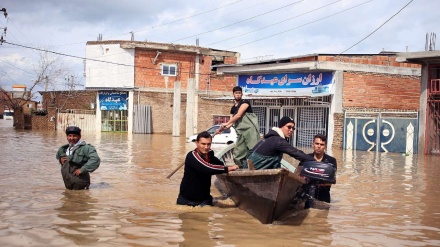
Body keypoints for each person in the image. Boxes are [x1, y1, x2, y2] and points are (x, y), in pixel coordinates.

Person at [177, 131, 239, 207]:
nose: (206, 147)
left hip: (205, 199)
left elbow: (220, 164)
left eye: (208, 144)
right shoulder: (192, 156)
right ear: (197, 143)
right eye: (203, 144)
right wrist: (228, 168)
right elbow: (207, 168)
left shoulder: (210, 156)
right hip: (188, 201)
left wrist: (228, 167)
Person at [215, 86, 260, 168]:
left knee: (253, 151)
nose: (238, 95)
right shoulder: (233, 109)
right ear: (233, 94)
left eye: (239, 93)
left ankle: (255, 168)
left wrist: (227, 123)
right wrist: (221, 129)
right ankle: (242, 169)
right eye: (236, 93)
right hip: (241, 133)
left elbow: (239, 115)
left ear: (242, 94)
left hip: (250, 131)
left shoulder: (245, 102)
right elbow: (230, 124)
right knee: (238, 154)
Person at [247, 116, 315, 170]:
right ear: (281, 127)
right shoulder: (277, 140)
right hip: (255, 174)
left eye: (293, 128)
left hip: (250, 170)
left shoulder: (269, 138)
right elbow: (295, 153)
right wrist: (315, 162)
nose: (291, 130)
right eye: (289, 127)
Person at [307, 134, 337, 203]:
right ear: (313, 144)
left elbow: (331, 181)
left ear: (325, 146)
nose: (319, 146)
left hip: (324, 198)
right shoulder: (306, 158)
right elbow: (298, 175)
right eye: (317, 144)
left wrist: (312, 180)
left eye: (322, 144)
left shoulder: (331, 160)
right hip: (307, 196)